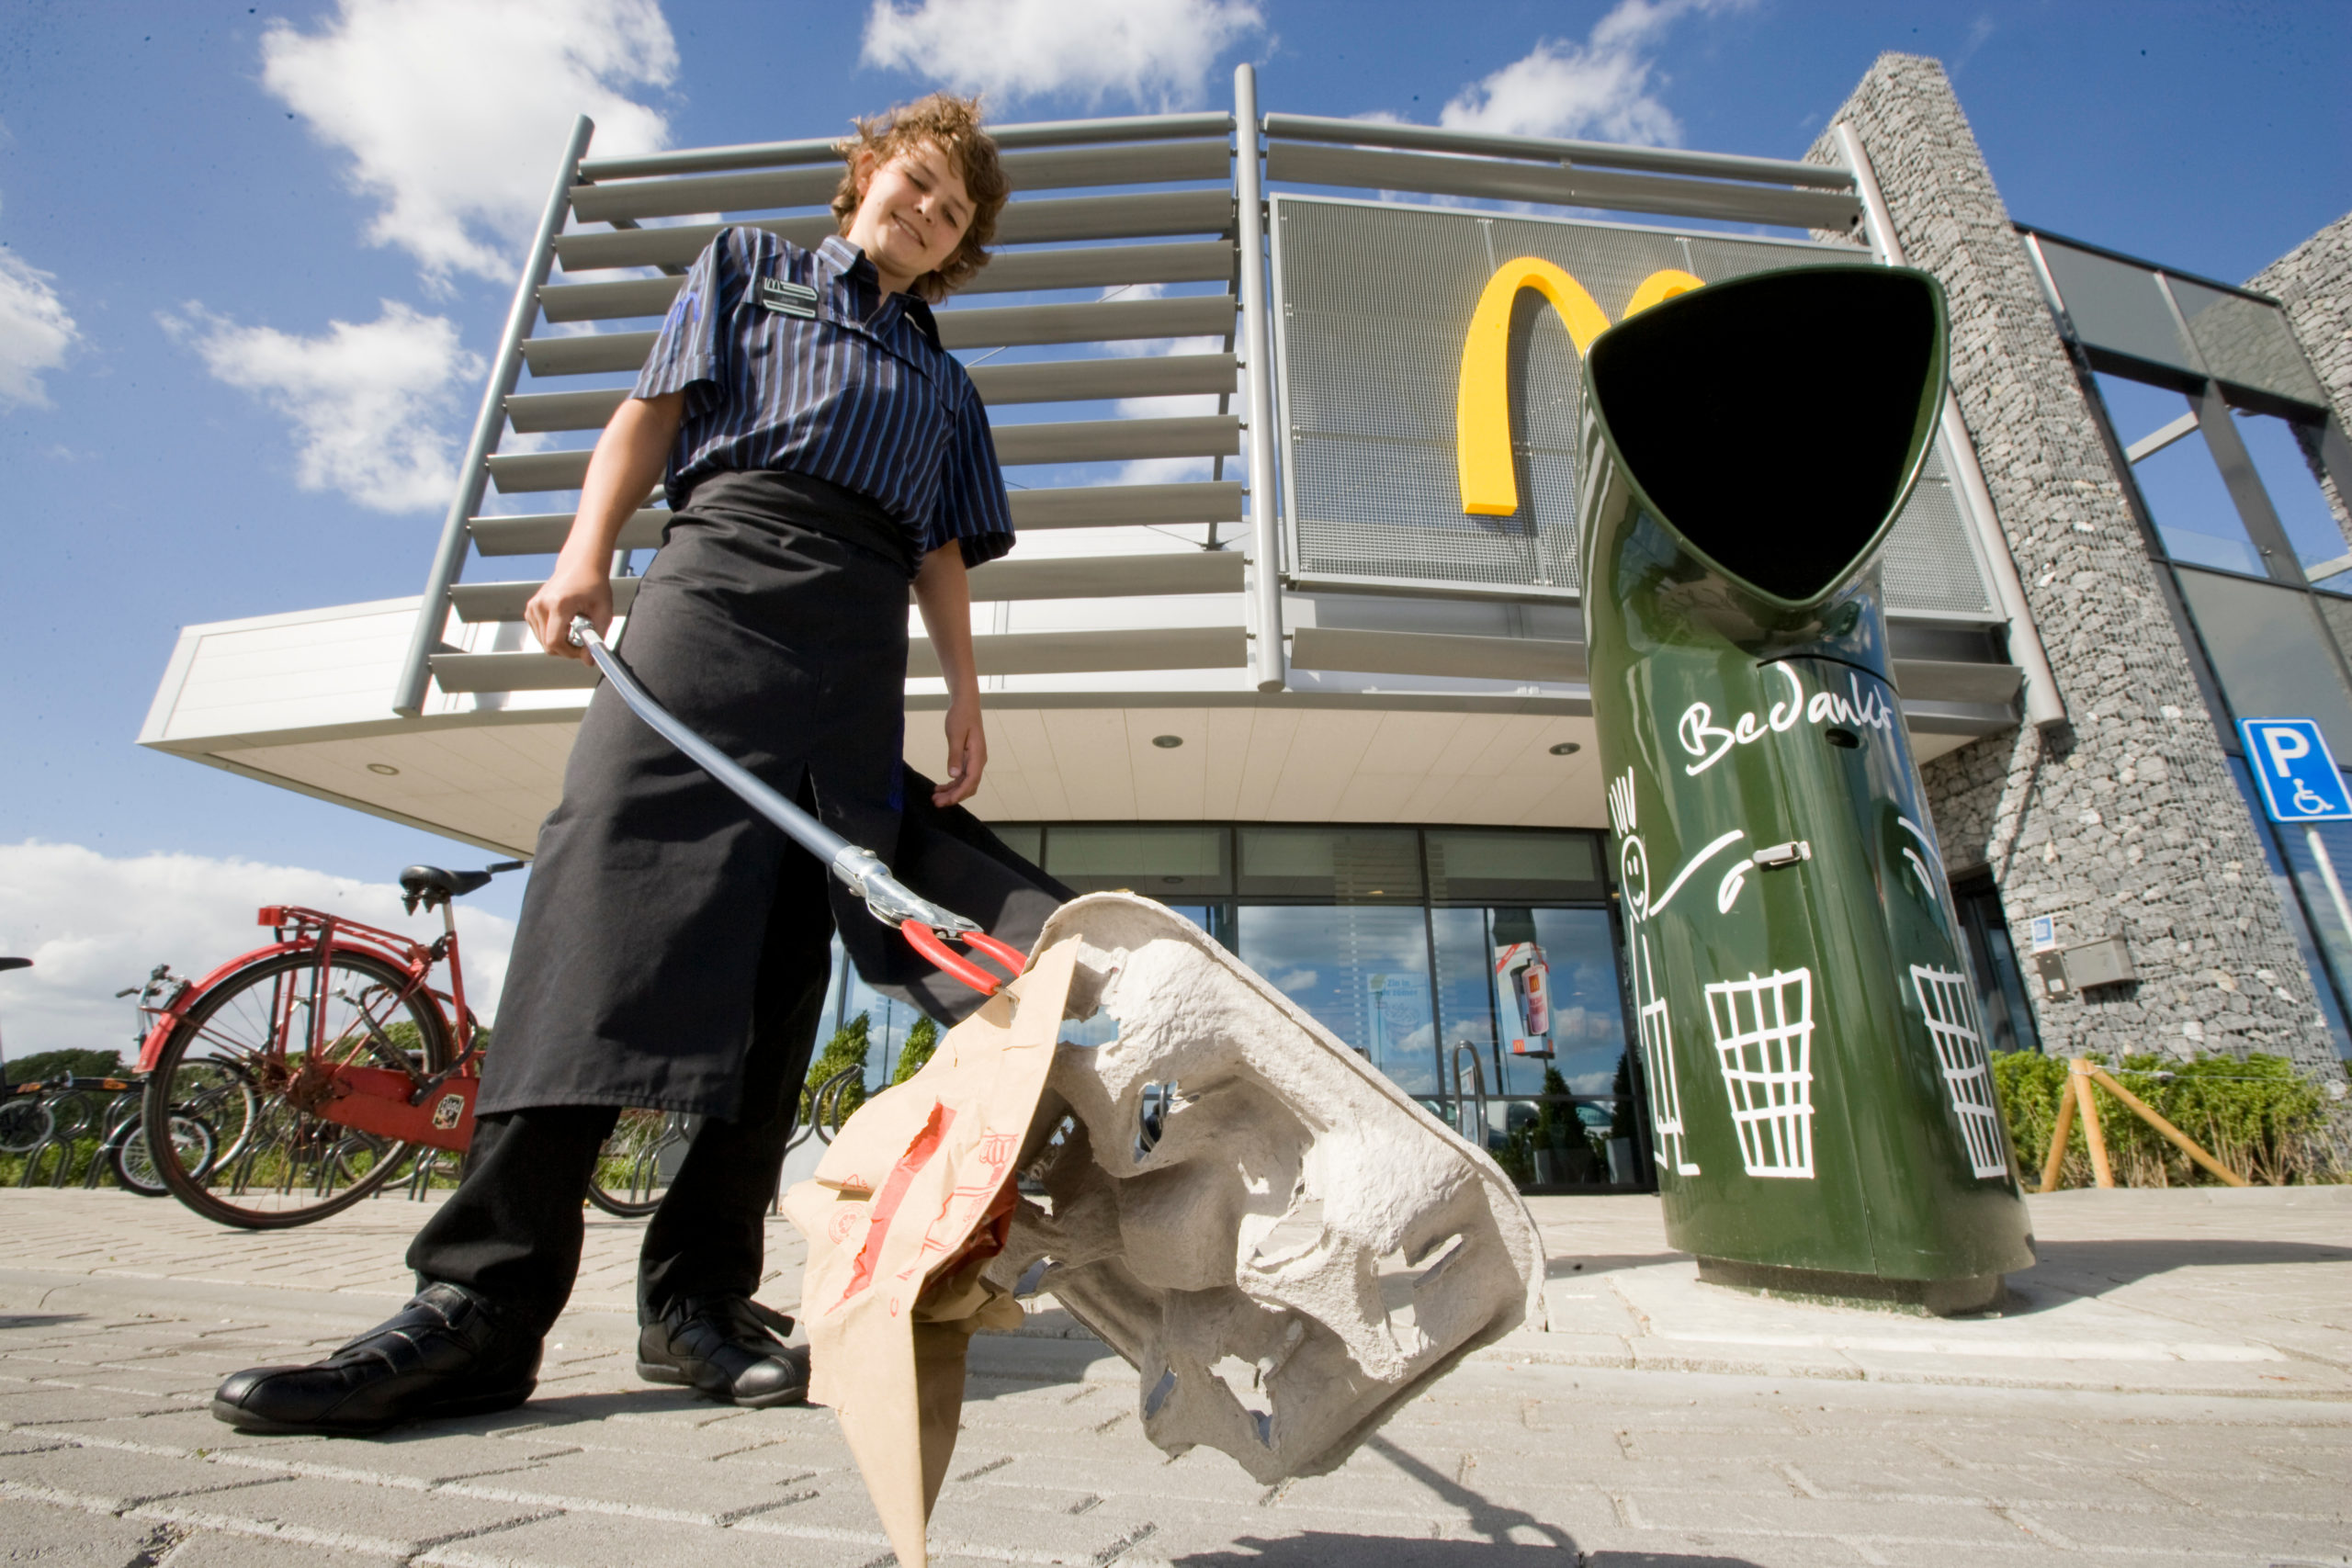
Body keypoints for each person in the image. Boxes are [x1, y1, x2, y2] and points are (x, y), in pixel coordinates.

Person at [212, 94, 1034, 1436]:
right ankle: (480, 1305)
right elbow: (648, 416)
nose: (927, 215)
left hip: (850, 647)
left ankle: (696, 1303)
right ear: (870, 174)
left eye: (953, 214)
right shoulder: (749, 269)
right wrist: (584, 556)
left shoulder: (946, 385)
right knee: (599, 908)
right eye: (918, 184)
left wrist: (962, 697)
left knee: (779, 971)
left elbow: (941, 548)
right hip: (710, 594)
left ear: (957, 251)